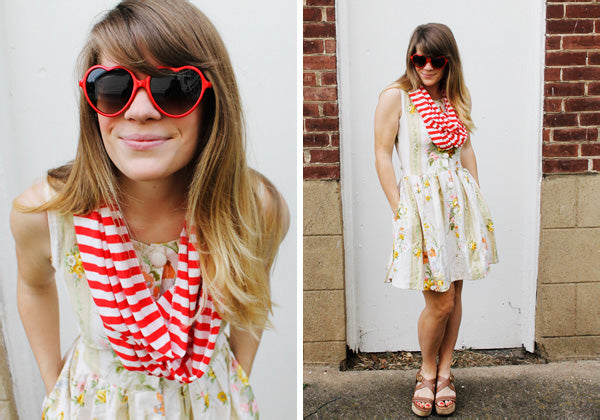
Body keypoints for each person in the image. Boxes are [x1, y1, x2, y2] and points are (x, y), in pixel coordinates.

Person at [10, 1, 289, 418]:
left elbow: (253, 293)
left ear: (213, 100)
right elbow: (34, 286)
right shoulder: (46, 213)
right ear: (91, 100)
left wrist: (238, 377)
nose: (140, 111)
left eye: (173, 88)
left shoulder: (252, 209)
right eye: (114, 87)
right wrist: (54, 385)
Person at [374, 23, 498, 417]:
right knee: (440, 301)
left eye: (436, 60)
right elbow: (381, 154)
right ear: (411, 58)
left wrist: (475, 198)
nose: (427, 66)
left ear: (448, 62)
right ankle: (426, 373)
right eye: (419, 58)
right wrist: (400, 208)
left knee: (456, 293)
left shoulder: (453, 99)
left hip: (458, 206)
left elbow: (467, 151)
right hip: (423, 208)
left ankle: (446, 372)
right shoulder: (397, 98)